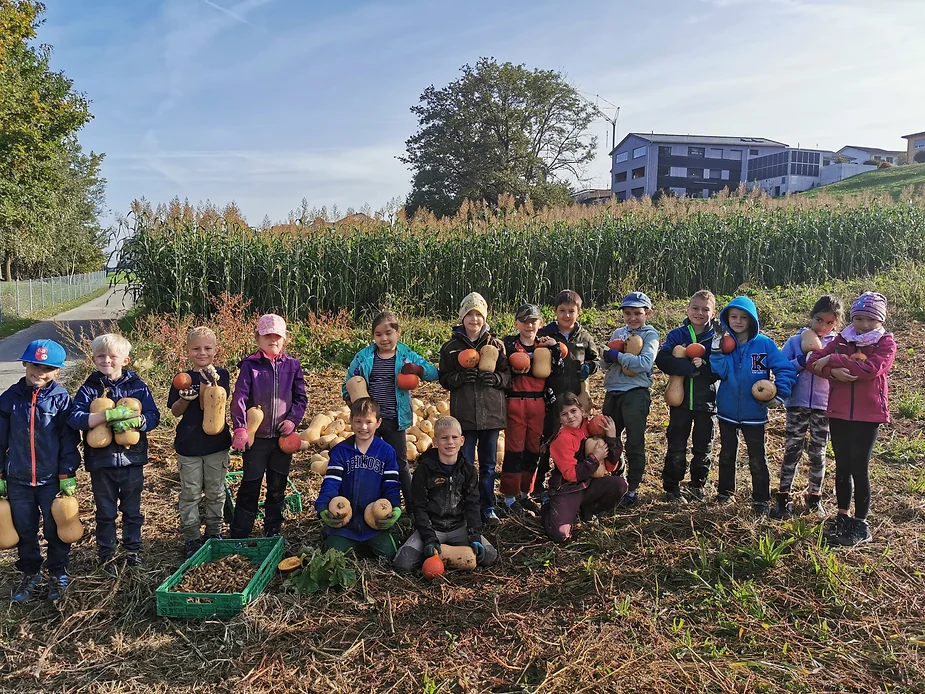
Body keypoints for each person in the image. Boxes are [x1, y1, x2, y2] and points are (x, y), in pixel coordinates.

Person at [807, 292, 895, 546]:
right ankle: (843, 515)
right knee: (842, 466)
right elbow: (813, 361)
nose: (864, 325)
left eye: (870, 319)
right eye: (858, 319)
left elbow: (869, 370)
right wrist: (832, 369)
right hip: (838, 411)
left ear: (880, 319)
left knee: (859, 466)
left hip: (869, 414)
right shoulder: (844, 338)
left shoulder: (885, 342)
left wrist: (833, 360)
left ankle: (861, 523)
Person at [69, 333, 160, 570]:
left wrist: (138, 422)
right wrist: (103, 416)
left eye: (112, 356)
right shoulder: (89, 389)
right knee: (105, 511)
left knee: (132, 510)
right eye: (101, 356)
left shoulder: (139, 387)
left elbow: (153, 416)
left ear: (125, 360)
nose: (106, 360)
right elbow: (74, 418)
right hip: (101, 462)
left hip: (132, 459)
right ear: (93, 359)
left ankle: (132, 551)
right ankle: (106, 553)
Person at [0, 340, 80, 602]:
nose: (40, 372)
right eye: (36, 365)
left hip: (50, 480)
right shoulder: (9, 398)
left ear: (56, 371)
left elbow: (69, 440)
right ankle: (31, 573)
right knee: (25, 529)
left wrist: (67, 472)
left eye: (48, 368)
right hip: (18, 480)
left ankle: (58, 572)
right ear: (25, 363)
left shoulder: (60, 399)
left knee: (56, 529)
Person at [709, 297, 797, 516]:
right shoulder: (725, 343)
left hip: (754, 411)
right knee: (727, 454)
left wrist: (780, 392)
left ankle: (760, 499)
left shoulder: (764, 344)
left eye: (744, 317)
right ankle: (725, 493)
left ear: (752, 319)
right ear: (727, 319)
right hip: (727, 410)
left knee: (757, 456)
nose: (738, 321)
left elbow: (785, 368)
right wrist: (717, 350)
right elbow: (720, 373)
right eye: (734, 317)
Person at [343, 311, 438, 509]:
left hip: (395, 418)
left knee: (400, 463)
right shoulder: (364, 357)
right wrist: (349, 399)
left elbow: (433, 373)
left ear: (398, 333)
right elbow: (349, 381)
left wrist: (417, 369)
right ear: (373, 336)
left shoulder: (406, 355)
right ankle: (370, 504)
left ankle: (413, 506)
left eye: (388, 333)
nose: (384, 338)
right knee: (369, 462)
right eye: (378, 334)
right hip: (370, 421)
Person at [228, 314, 307, 539]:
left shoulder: (292, 366)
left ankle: (273, 529)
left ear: (284, 339)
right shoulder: (250, 366)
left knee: (277, 485)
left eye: (277, 336)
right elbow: (239, 398)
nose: (273, 340)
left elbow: (301, 398)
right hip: (257, 438)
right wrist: (241, 428)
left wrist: (292, 420)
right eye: (267, 336)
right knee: (250, 484)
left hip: (282, 439)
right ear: (258, 338)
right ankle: (240, 533)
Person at [438, 292, 511, 526]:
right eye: (469, 314)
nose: (474, 319)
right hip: (465, 416)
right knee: (465, 464)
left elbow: (508, 376)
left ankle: (487, 507)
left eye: (478, 314)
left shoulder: (496, 345)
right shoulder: (450, 347)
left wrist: (497, 380)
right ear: (462, 317)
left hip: (491, 414)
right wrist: (459, 378)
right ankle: (465, 507)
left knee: (489, 466)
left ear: (484, 317)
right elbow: (444, 378)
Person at [771, 296, 844, 520]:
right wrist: (803, 361)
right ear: (811, 317)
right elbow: (782, 369)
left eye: (830, 323)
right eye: (819, 320)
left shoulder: (838, 344)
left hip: (824, 406)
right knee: (792, 449)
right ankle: (783, 498)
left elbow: (841, 370)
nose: (823, 327)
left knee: (818, 453)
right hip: (798, 404)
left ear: (837, 324)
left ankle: (815, 498)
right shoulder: (795, 341)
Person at [393, 416, 498, 570]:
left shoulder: (468, 471)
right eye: (444, 438)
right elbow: (419, 507)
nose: (450, 442)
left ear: (462, 441)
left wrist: (474, 535)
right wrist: (428, 537)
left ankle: (439, 555)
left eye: (454, 437)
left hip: (459, 528)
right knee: (403, 562)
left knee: (489, 556)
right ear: (435, 442)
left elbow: (473, 505)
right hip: (433, 527)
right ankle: (434, 551)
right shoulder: (423, 470)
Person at [167, 326, 233, 557]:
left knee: (216, 491)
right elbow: (175, 411)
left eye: (207, 348)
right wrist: (185, 399)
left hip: (216, 445)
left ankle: (215, 531)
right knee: (191, 493)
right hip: (188, 445)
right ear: (188, 350)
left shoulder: (221, 375)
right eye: (196, 348)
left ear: (216, 350)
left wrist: (208, 380)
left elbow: (211, 404)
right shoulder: (181, 379)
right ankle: (192, 536)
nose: (202, 353)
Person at [534, 289, 600, 504]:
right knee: (548, 437)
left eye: (571, 311)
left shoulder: (585, 337)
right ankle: (537, 485)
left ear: (579, 312)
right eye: (562, 311)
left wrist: (590, 367)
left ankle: (567, 479)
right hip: (551, 396)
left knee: (574, 439)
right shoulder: (545, 334)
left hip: (574, 400)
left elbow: (595, 359)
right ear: (555, 311)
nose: (566, 315)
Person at [315, 398, 402, 559]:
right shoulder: (341, 451)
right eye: (358, 421)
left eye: (369, 422)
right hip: (345, 523)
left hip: (374, 522)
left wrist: (395, 507)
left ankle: (370, 542)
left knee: (390, 554)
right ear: (351, 421)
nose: (363, 427)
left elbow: (391, 484)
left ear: (378, 422)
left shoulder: (386, 451)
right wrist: (322, 507)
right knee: (331, 556)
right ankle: (341, 538)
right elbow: (331, 482)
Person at [655, 290, 720, 502]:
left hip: (707, 402)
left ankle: (698, 486)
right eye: (695, 308)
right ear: (687, 309)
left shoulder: (718, 338)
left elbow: (722, 367)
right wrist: (684, 366)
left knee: (703, 447)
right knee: (676, 445)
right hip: (680, 402)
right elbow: (662, 360)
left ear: (713, 312)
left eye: (705, 309)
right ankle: (671, 487)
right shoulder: (677, 335)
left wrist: (706, 366)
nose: (699, 313)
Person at [500, 303, 562, 517]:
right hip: (515, 402)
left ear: (540, 323)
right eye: (524, 321)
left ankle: (525, 493)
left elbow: (558, 370)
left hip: (538, 403)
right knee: (514, 450)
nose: (529, 325)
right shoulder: (508, 345)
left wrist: (554, 347)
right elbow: (499, 368)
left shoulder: (544, 346)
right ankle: (509, 496)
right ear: (516, 323)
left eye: (534, 321)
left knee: (533, 450)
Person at [601, 291, 660, 506]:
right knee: (608, 439)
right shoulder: (618, 332)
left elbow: (645, 364)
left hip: (635, 393)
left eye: (638, 313)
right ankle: (615, 480)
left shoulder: (650, 335)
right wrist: (607, 358)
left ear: (648, 313)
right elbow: (605, 365)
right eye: (628, 313)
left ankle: (633, 488)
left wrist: (618, 356)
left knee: (635, 441)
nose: (632, 318)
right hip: (613, 392)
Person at [543, 393, 628, 542]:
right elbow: (570, 475)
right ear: (559, 419)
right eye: (564, 414)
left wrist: (612, 438)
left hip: (588, 485)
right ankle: (547, 505)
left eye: (573, 411)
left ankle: (588, 510)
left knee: (619, 485)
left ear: (582, 410)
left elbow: (611, 466)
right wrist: (594, 458)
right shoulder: (562, 439)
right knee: (560, 536)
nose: (570, 416)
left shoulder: (592, 429)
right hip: (568, 488)